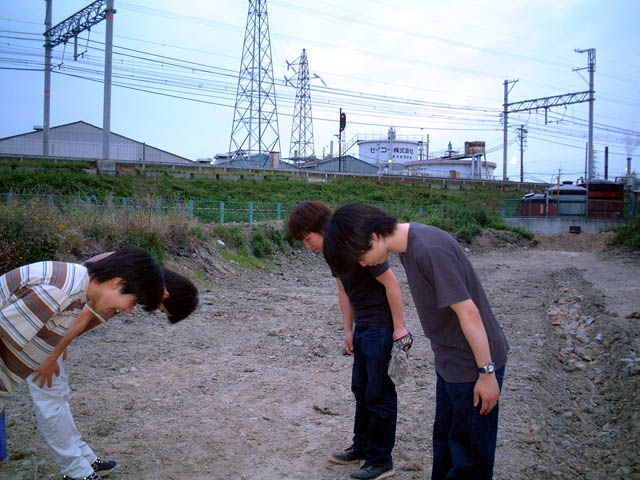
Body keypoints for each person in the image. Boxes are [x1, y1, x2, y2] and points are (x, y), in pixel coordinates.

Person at [323, 203, 509, 480]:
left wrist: (487, 372)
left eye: (360, 257)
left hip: (472, 365)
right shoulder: (411, 248)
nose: (363, 264)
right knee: (445, 444)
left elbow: (469, 313)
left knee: (469, 458)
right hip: (450, 361)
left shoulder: (429, 249)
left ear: (373, 237)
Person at [0, 247, 165, 480]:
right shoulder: (58, 291)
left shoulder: (77, 291)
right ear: (117, 283)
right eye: (133, 302)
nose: (128, 311)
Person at [289, 201, 410, 480]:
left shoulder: (355, 241)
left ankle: (381, 460)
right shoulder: (331, 254)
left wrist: (399, 329)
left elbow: (392, 283)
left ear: (321, 228)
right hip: (363, 328)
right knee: (361, 390)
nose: (308, 246)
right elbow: (343, 290)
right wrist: (348, 329)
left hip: (381, 328)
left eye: (308, 238)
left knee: (379, 394)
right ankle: (362, 447)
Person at [33, 253, 200, 389]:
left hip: (51, 324)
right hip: (45, 326)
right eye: (162, 309)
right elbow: (83, 316)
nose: (157, 309)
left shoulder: (141, 270)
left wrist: (63, 343)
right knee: (52, 391)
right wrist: (53, 354)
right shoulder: (135, 281)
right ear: (166, 295)